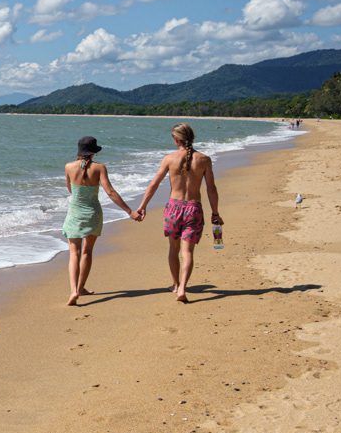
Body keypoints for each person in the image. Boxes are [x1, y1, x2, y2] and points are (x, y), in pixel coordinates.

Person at [134, 123, 223, 303]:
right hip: (194, 208)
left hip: (173, 209)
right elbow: (211, 188)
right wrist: (215, 212)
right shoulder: (204, 159)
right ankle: (183, 287)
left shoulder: (169, 158)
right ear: (192, 138)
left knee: (173, 249)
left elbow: (154, 184)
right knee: (187, 252)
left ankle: (175, 285)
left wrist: (142, 206)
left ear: (175, 140)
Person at [62, 135, 137, 305]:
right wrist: (129, 211)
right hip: (93, 213)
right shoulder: (100, 168)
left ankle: (73, 290)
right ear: (94, 152)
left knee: (74, 253)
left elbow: (70, 189)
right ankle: (81, 288)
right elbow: (110, 192)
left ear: (79, 151)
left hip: (74, 212)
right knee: (87, 252)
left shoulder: (68, 166)